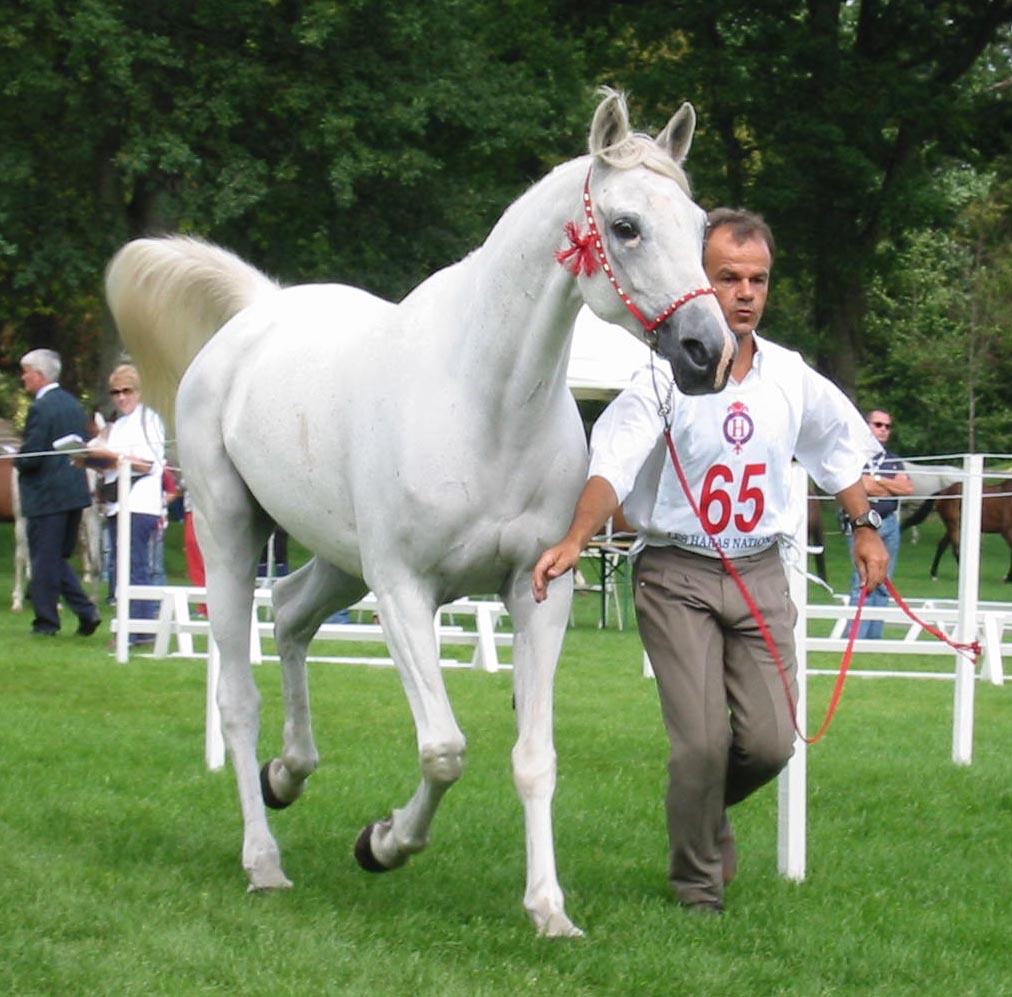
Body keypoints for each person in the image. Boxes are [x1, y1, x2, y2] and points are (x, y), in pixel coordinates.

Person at [533, 208, 890, 915]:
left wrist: (864, 527)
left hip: (760, 572)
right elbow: (612, 463)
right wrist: (577, 536)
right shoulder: (662, 377)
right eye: (729, 277)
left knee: (769, 744)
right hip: (677, 575)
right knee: (699, 744)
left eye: (758, 279)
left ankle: (699, 811)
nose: (746, 292)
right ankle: (698, 885)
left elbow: (837, 450)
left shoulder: (790, 375)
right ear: (704, 280)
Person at [14, 349, 102, 637]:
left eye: (26, 371)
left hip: (46, 495)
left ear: (39, 375)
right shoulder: (74, 405)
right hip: (73, 492)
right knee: (55, 558)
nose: (24, 377)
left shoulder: (41, 408)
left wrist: (17, 458)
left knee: (43, 560)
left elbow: (34, 455)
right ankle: (87, 612)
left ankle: (46, 623)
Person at [86, 364, 166, 646]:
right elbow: (111, 463)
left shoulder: (149, 420)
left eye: (126, 391)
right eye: (115, 392)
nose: (121, 398)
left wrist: (115, 455)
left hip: (140, 503)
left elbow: (149, 464)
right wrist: (90, 458)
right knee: (121, 567)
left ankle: (139, 628)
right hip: (116, 503)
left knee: (135, 565)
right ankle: (131, 626)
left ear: (138, 391)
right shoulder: (117, 426)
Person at [843, 409, 914, 639]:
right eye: (878, 424)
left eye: (887, 426)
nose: (883, 429)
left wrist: (874, 481)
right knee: (862, 581)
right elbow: (859, 486)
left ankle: (874, 639)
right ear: (867, 426)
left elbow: (907, 489)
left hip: (889, 523)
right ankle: (856, 638)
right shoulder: (853, 454)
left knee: (884, 582)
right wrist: (886, 484)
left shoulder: (892, 459)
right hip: (862, 524)